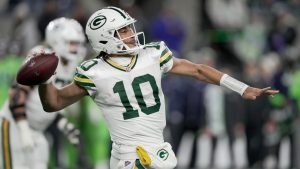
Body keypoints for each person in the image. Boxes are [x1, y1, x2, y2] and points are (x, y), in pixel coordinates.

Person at [37, 6, 279, 169]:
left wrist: (242, 87)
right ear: (105, 37)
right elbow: (54, 103)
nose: (131, 34)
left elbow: (198, 69)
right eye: (123, 30)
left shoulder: (152, 55)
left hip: (159, 149)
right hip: (128, 158)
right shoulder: (94, 72)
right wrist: (44, 79)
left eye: (130, 28)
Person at [0, 17, 86, 169]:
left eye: (78, 44)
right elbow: (17, 93)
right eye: (72, 43)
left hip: (38, 129)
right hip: (15, 124)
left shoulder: (71, 64)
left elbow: (48, 104)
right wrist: (23, 128)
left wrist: (65, 125)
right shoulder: (43, 57)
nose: (76, 49)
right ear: (58, 40)